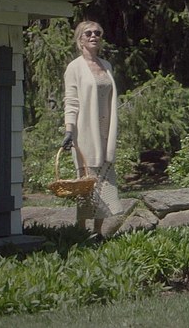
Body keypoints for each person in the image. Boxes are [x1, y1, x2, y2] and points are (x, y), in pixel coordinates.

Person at [62, 20, 123, 235]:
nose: (93, 36)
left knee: (105, 183)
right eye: (88, 33)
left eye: (97, 33)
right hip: (86, 134)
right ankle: (81, 232)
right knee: (87, 184)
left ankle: (98, 233)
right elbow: (71, 101)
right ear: (80, 39)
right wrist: (69, 130)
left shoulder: (106, 66)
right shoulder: (75, 67)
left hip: (106, 132)